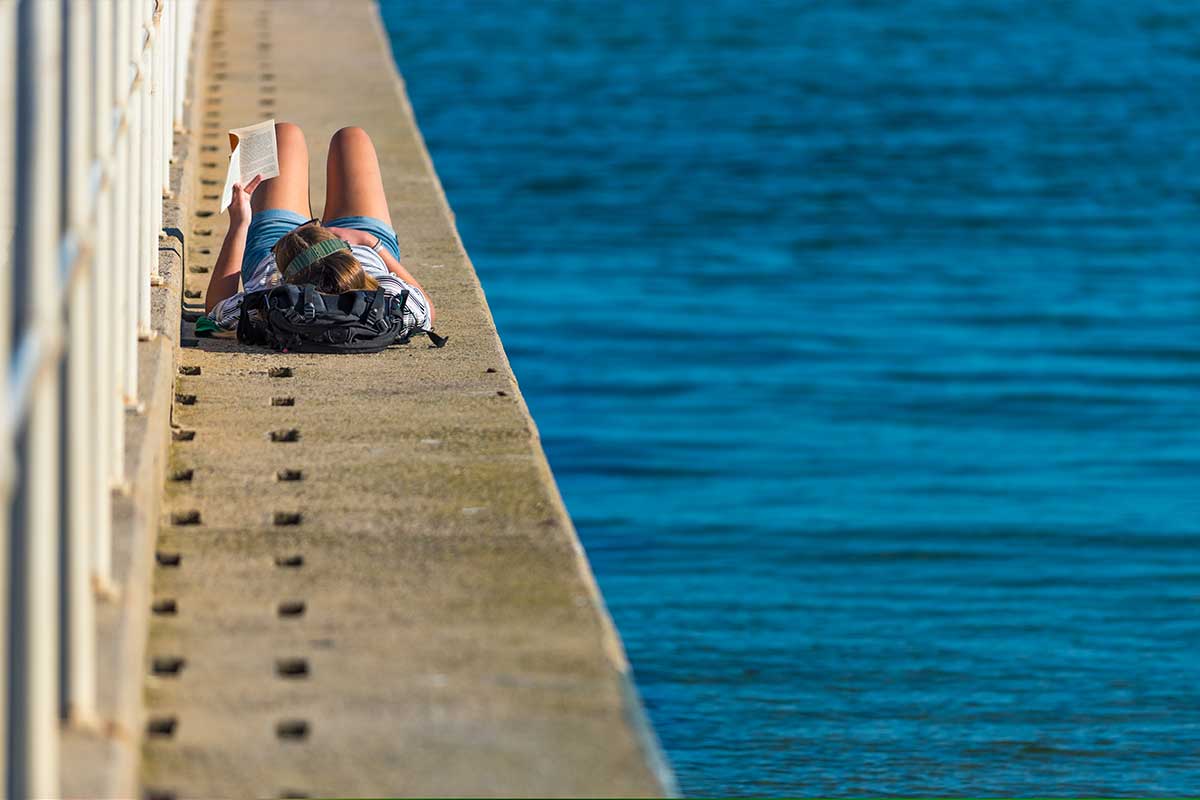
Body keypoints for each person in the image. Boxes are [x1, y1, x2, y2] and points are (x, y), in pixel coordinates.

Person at [201, 123, 434, 334]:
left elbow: (215, 312)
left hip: (289, 250)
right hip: (352, 247)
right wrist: (369, 242)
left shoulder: (272, 299)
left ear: (286, 279)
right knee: (349, 136)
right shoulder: (384, 295)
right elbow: (428, 312)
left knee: (286, 135)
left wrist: (240, 224)